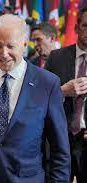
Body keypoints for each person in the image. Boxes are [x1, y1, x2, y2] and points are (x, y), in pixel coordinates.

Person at [0, 14, 71, 182]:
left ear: (25, 43)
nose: (4, 54)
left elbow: (60, 148)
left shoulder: (47, 83)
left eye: (11, 46)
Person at [46, 7, 87, 183]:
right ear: (76, 28)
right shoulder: (56, 57)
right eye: (86, 25)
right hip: (59, 138)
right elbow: (38, 95)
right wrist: (62, 91)